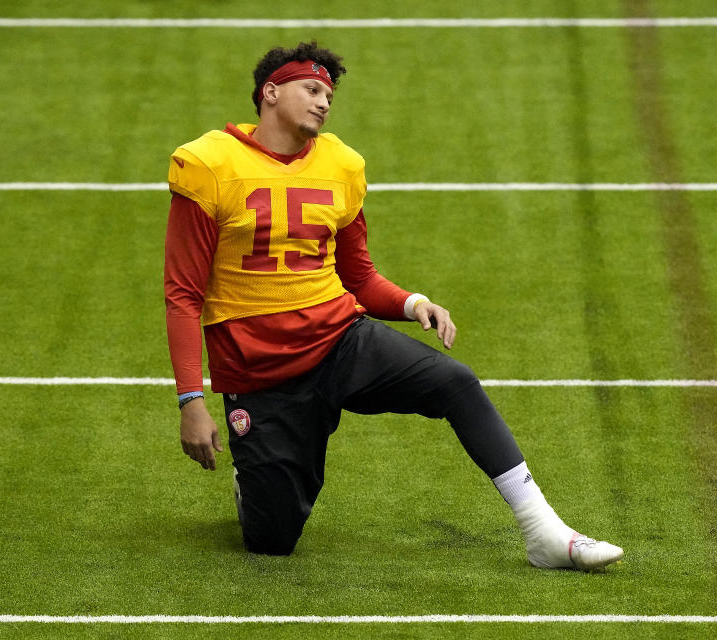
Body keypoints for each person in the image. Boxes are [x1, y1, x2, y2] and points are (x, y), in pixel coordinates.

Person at [163, 41, 623, 570]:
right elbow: (183, 294)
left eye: (328, 94)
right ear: (270, 92)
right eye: (311, 90)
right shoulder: (208, 164)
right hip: (260, 369)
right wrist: (190, 400)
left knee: (455, 381)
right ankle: (256, 480)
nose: (323, 102)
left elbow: (357, 275)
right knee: (273, 540)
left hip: (339, 338)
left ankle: (544, 530)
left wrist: (412, 303)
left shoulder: (341, 164)